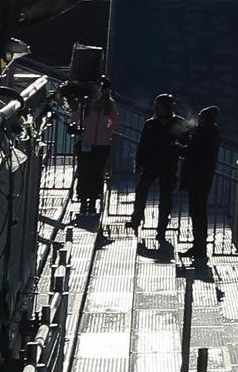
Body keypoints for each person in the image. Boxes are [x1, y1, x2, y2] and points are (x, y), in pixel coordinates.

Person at [132, 94, 182, 248]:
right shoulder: (150, 123)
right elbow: (142, 144)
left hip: (168, 165)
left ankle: (161, 229)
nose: (156, 108)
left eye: (158, 105)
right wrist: (139, 163)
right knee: (141, 190)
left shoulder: (178, 123)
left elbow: (185, 141)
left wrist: (177, 149)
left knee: (165, 197)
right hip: (150, 163)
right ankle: (136, 218)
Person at [71, 79, 120, 232]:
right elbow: (75, 117)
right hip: (87, 142)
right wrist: (81, 129)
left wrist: (106, 131)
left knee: (97, 173)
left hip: (102, 144)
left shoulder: (109, 104)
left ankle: (92, 201)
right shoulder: (86, 103)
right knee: (84, 171)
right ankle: (83, 200)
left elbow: (114, 121)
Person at [178, 105, 223, 267]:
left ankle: (199, 247)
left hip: (199, 177)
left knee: (198, 212)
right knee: (197, 212)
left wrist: (178, 148)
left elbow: (194, 152)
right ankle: (198, 246)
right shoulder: (210, 133)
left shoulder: (206, 134)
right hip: (202, 177)